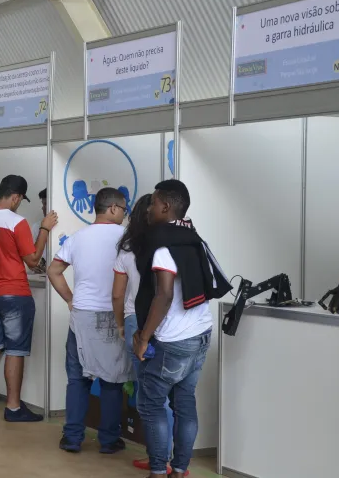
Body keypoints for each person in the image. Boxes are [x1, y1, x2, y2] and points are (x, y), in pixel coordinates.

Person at [132, 180, 230, 478]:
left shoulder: (162, 244)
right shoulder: (193, 237)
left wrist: (143, 337)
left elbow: (163, 295)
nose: (148, 207)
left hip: (173, 339)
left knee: (151, 405)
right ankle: (181, 468)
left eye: (153, 202)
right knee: (185, 401)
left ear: (165, 206)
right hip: (201, 332)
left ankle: (159, 470)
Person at [47, 187, 132, 454]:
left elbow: (53, 270)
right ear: (114, 209)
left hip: (81, 315)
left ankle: (72, 438)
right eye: (124, 209)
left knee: (77, 378)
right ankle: (108, 440)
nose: (125, 214)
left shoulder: (77, 237)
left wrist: (70, 298)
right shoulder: (128, 238)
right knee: (112, 380)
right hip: (114, 314)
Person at [0, 175, 56, 421]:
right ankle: (14, 408)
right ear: (16, 197)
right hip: (14, 293)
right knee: (15, 350)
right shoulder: (17, 222)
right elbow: (33, 259)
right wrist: (45, 229)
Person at [113, 194, 176, 473]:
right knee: (169, 394)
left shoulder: (127, 249)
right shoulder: (169, 245)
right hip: (169, 324)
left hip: (135, 323)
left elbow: (117, 294)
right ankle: (171, 457)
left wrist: (119, 324)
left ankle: (157, 458)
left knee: (148, 395)